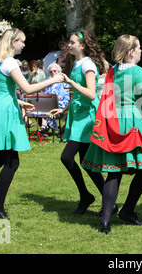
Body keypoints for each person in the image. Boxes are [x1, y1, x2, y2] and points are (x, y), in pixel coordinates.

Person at [0, 28, 64, 219]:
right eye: (22, 41)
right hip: (4, 114)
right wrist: (53, 80)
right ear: (13, 41)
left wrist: (19, 101)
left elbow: (0, 90)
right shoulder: (9, 62)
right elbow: (28, 88)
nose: (24, 44)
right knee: (11, 162)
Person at [82, 34, 142, 234]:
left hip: (112, 120)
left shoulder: (112, 70)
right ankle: (127, 210)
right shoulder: (136, 71)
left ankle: (106, 220)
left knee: (114, 171)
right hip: (133, 121)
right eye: (139, 47)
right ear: (132, 51)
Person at [48, 30, 107, 215]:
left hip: (87, 118)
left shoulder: (88, 65)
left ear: (82, 46)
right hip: (78, 116)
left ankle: (89, 196)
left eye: (72, 42)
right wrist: (63, 109)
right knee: (86, 162)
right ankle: (99, 199)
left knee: (67, 157)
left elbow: (90, 94)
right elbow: (79, 95)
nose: (69, 44)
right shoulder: (77, 63)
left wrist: (71, 83)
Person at [39, 62, 70, 134]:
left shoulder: (64, 84)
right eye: (50, 72)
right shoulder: (49, 84)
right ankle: (44, 126)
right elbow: (45, 95)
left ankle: (44, 126)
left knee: (46, 106)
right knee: (40, 106)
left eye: (54, 71)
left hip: (61, 104)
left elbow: (60, 97)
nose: (53, 73)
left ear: (59, 72)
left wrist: (50, 98)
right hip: (49, 103)